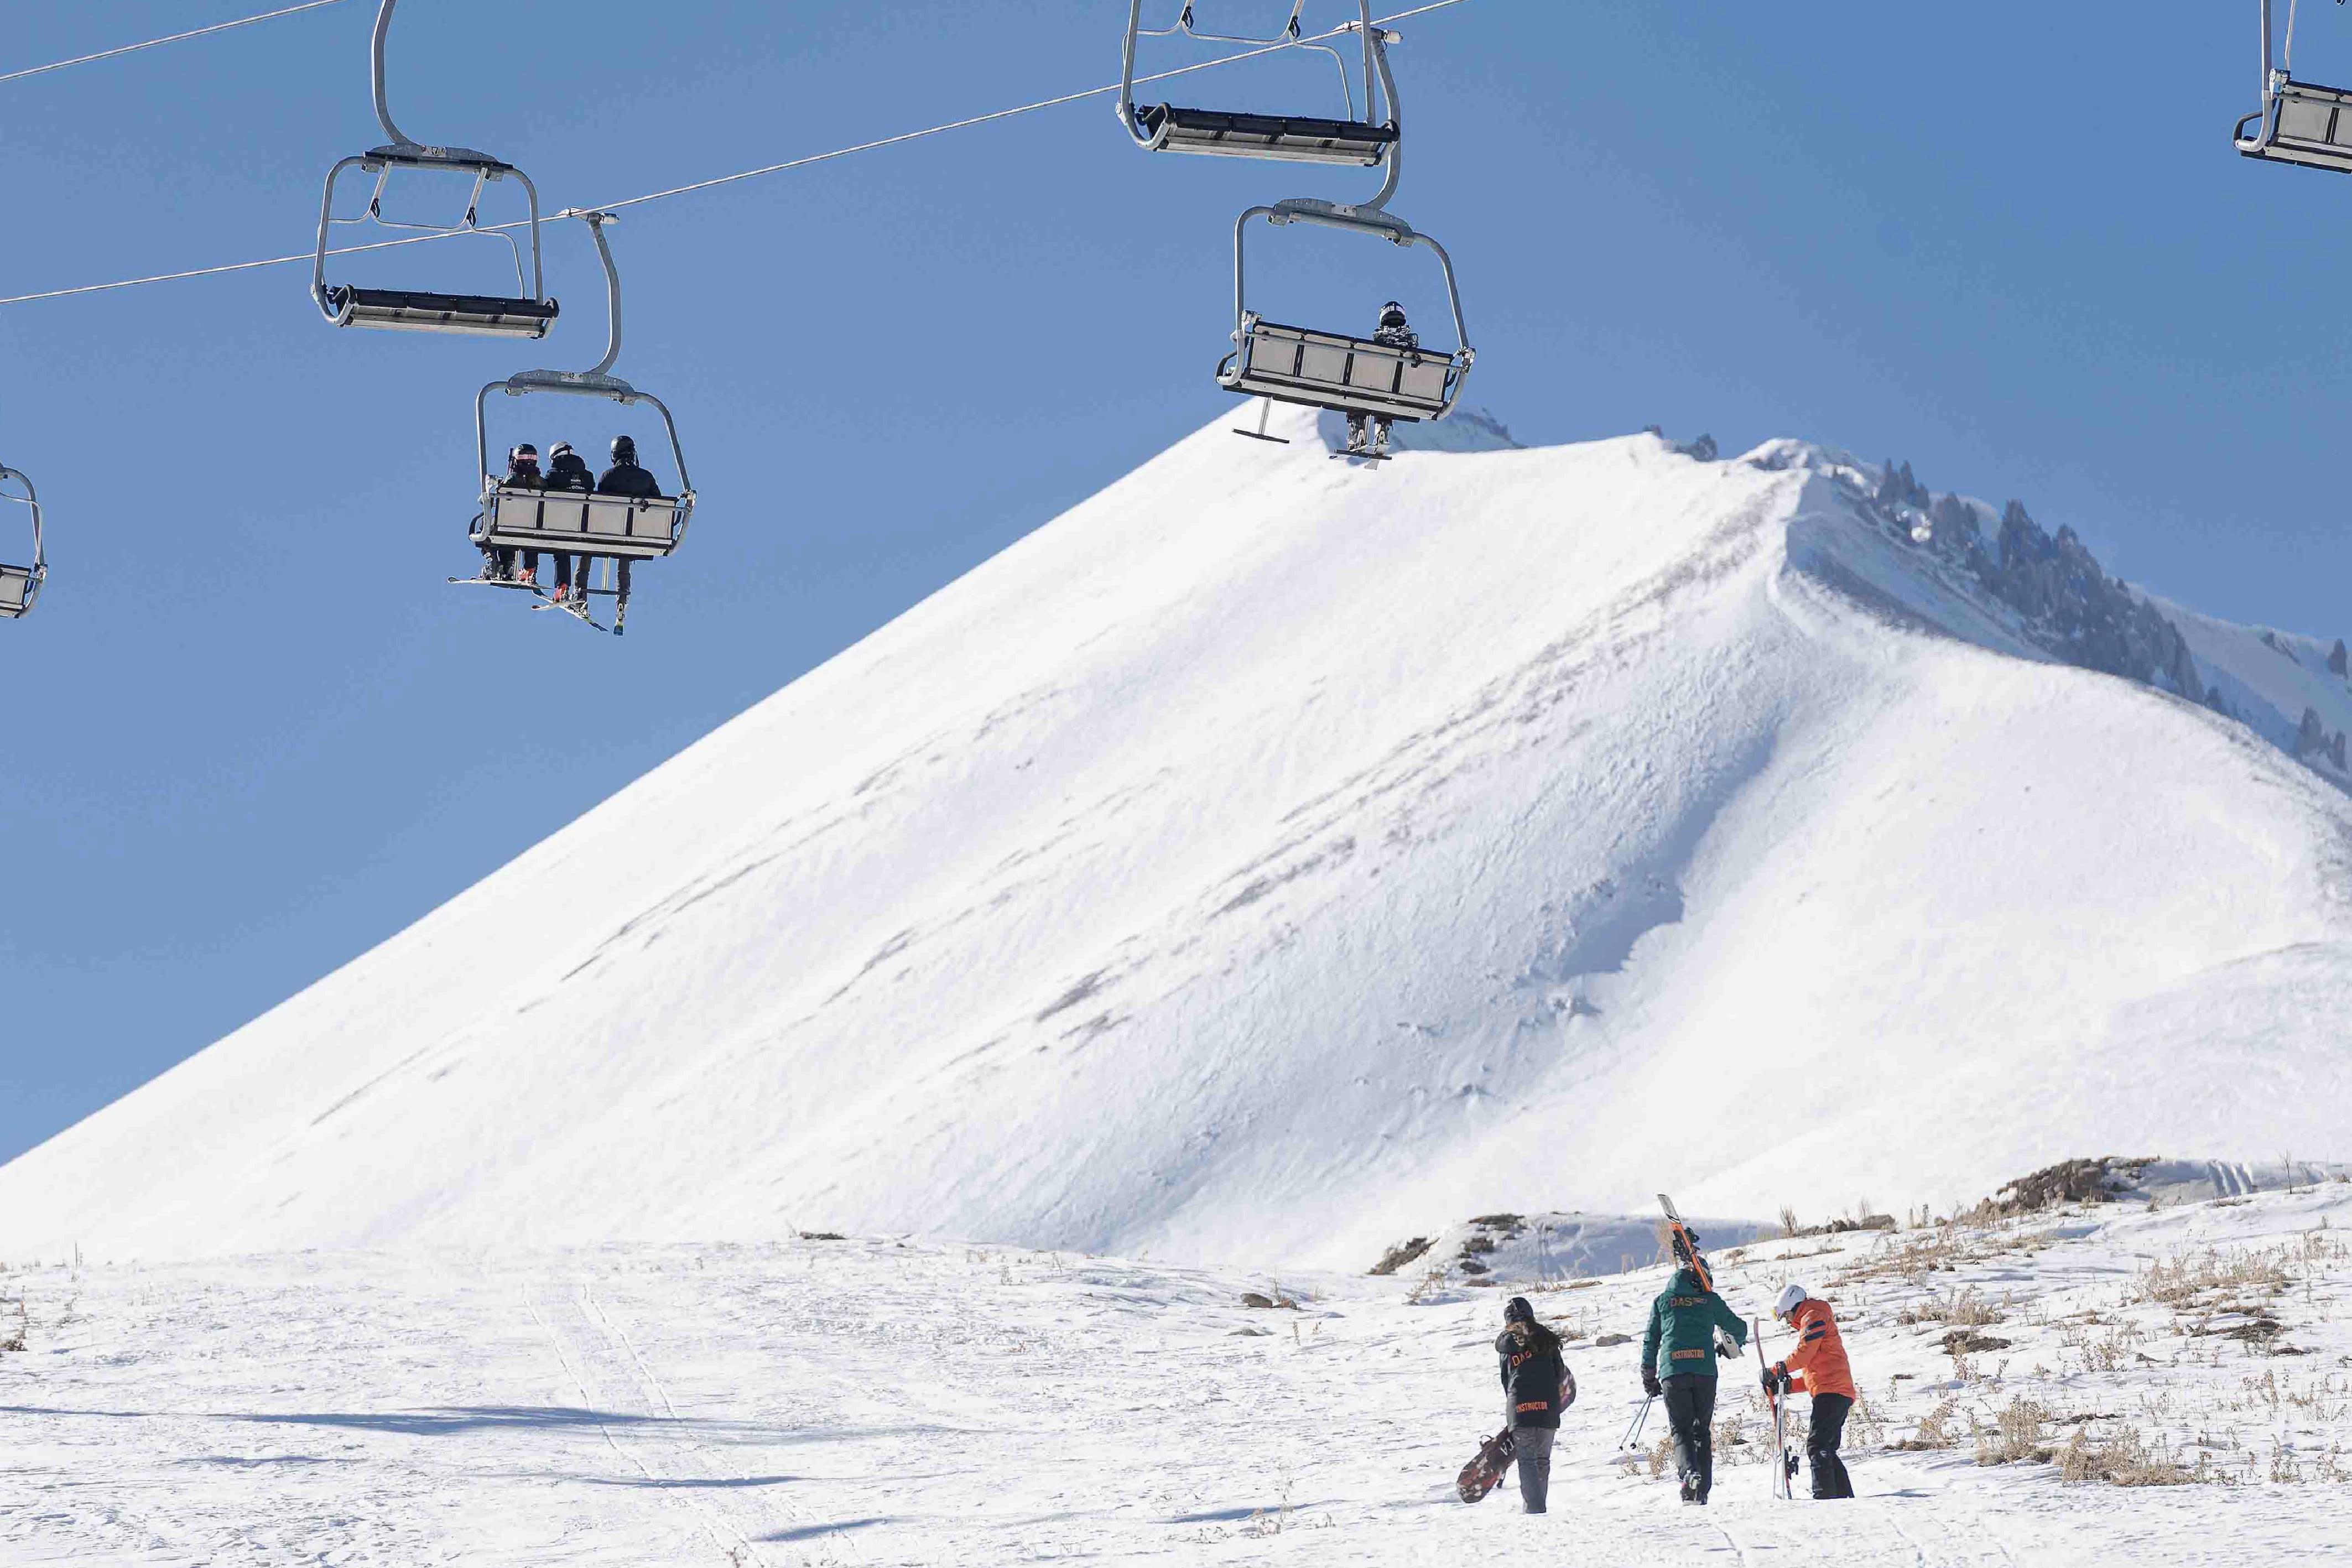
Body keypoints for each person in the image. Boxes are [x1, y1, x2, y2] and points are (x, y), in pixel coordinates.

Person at [1639, 1237, 1747, 1506]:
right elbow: (1740, 1329)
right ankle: (1702, 1492)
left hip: (1673, 1372)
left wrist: (1649, 1378)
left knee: (1682, 1431)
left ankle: (1689, 1476)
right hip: (1704, 1372)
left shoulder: (1663, 1302)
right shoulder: (1710, 1300)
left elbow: (1651, 1341)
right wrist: (1725, 1347)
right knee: (1702, 1432)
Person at [1762, 1284, 1856, 1499]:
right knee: (1826, 1447)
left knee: (1818, 1445)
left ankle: (1824, 1496)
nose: (1787, 1321)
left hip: (1833, 1392)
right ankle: (1844, 1498)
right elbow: (1813, 1376)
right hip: (1833, 1389)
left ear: (1793, 1307)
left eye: (1786, 1315)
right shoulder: (1813, 1318)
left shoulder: (1813, 1316)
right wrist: (1785, 1386)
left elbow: (1804, 1354)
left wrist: (1779, 1370)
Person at [1494, 1296, 1576, 1514]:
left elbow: (1506, 1380)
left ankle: (1534, 1510)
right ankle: (1538, 1508)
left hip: (1521, 1408)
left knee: (1527, 1461)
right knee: (1542, 1461)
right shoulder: (1547, 1340)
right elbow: (1561, 1375)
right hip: (1548, 1408)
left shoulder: (1507, 1344)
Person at [587, 434, 664, 613]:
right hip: (637, 533)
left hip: (610, 531)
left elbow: (600, 505)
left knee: (587, 547)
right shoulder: (646, 477)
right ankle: (622, 597)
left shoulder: (608, 476)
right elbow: (659, 504)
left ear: (614, 455)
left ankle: (580, 591)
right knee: (625, 553)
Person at [1344, 300, 1419, 458]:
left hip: (1371, 388)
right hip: (1399, 395)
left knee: (1359, 389)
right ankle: (1382, 429)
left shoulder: (1376, 346)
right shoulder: (1412, 347)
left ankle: (1358, 429)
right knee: (1390, 394)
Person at [536, 441, 594, 600]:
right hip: (584, 527)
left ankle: (562, 584)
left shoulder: (553, 476)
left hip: (558, 526)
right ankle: (580, 590)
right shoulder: (588, 477)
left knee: (560, 546)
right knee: (570, 543)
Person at [487, 443, 542, 584]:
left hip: (510, 527)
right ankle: (530, 568)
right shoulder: (542, 483)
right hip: (534, 528)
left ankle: (506, 564)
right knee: (532, 531)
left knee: (494, 525)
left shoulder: (512, 479)